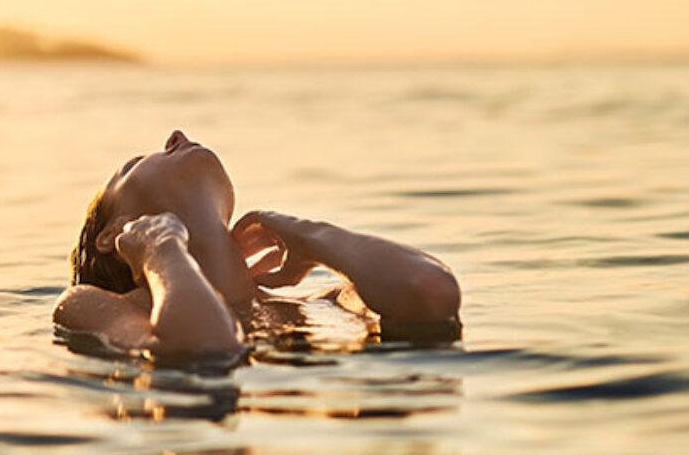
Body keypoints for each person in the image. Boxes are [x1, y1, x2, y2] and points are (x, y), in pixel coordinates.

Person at [54, 130, 461, 360]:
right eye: (132, 165)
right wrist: (162, 248)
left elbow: (431, 293)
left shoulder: (321, 304)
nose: (175, 136)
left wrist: (309, 235)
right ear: (114, 234)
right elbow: (205, 351)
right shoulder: (91, 306)